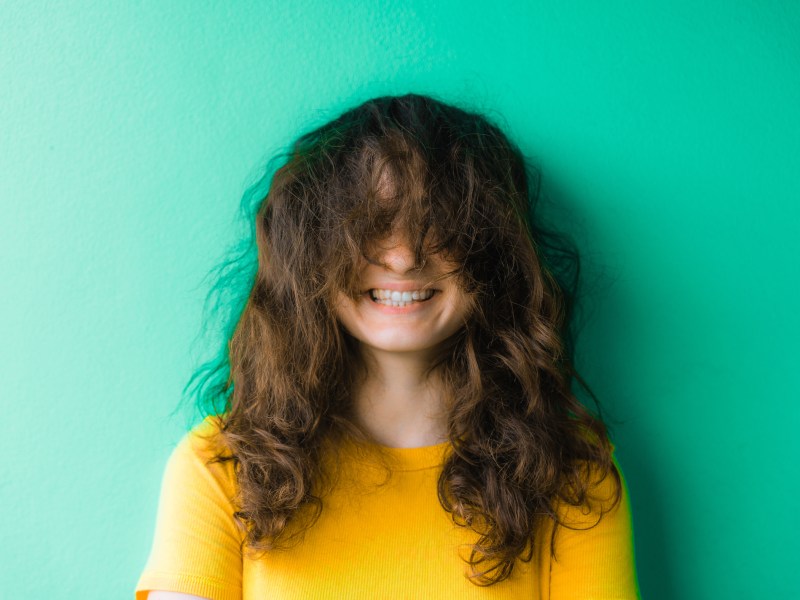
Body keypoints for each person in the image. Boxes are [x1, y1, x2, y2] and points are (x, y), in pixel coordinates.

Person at [135, 93, 640, 599]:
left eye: (437, 225)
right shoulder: (223, 466)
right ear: (311, 251)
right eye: (370, 226)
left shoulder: (572, 476)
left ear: (493, 253)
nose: (402, 259)